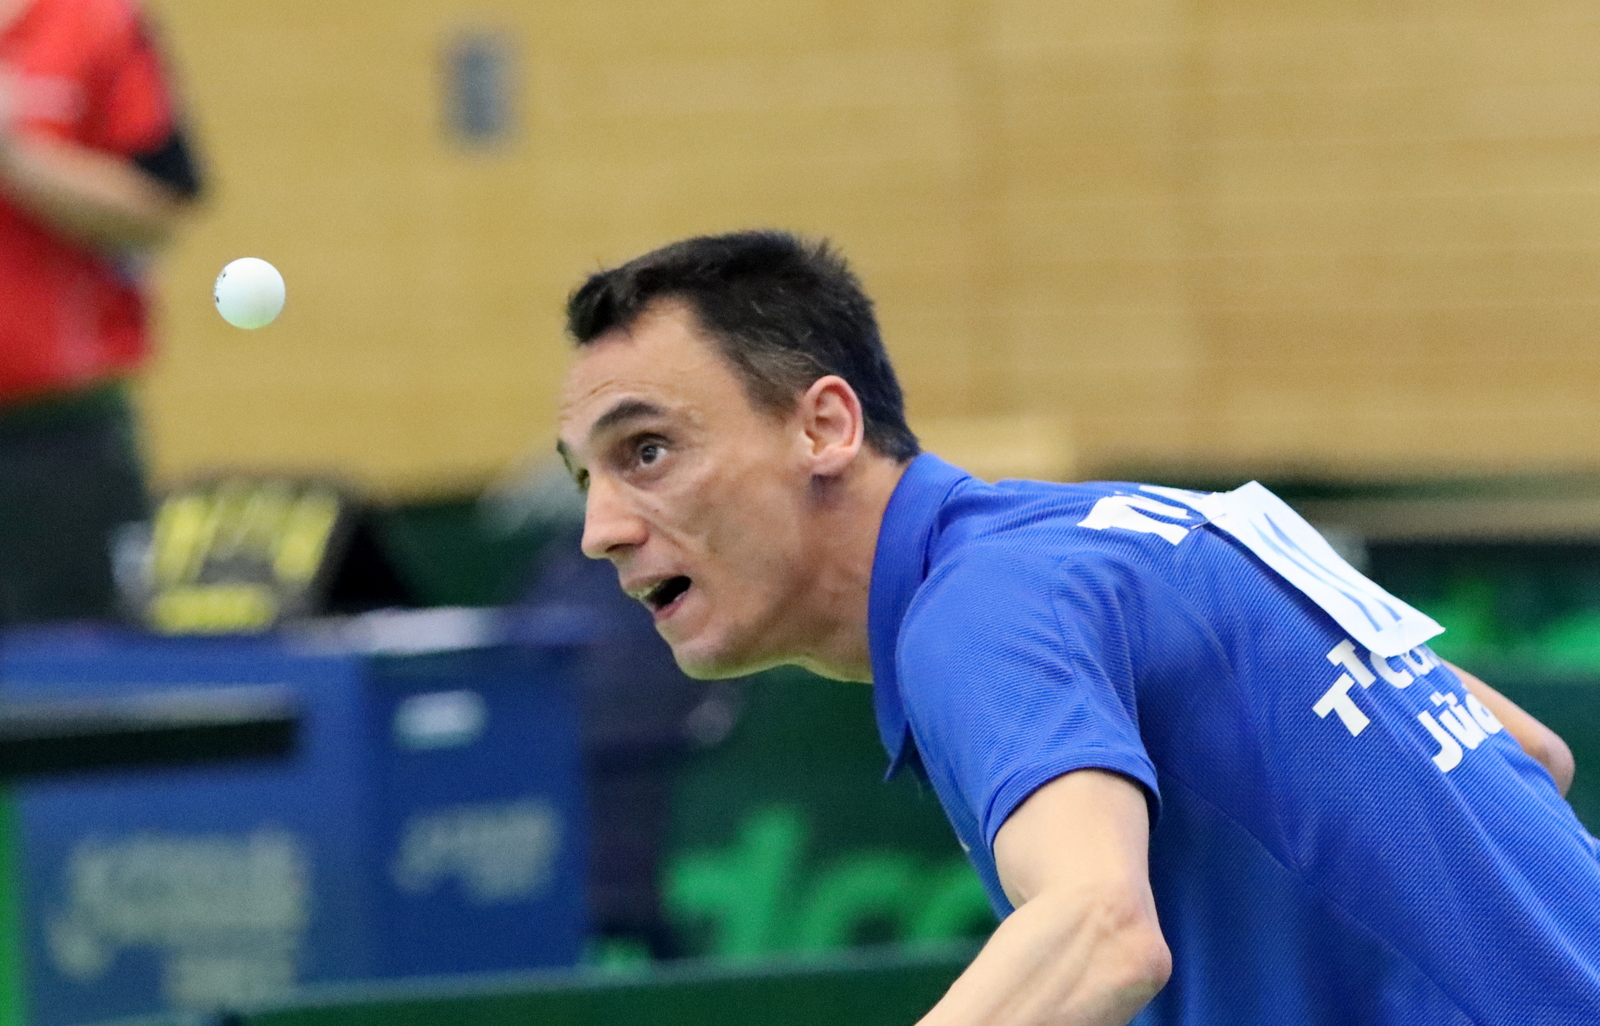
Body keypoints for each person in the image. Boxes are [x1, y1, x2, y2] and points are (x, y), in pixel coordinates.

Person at [554, 231, 1600, 1025]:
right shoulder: (1147, 528)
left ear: (824, 426)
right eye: (586, 478)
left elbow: (1100, 933)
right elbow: (1529, 753)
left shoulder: (975, 612)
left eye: (648, 451)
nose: (602, 529)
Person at [0, 0, 202, 626]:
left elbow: (157, 206)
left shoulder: (90, 5)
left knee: (80, 669)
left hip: (59, 436)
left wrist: (14, 156)